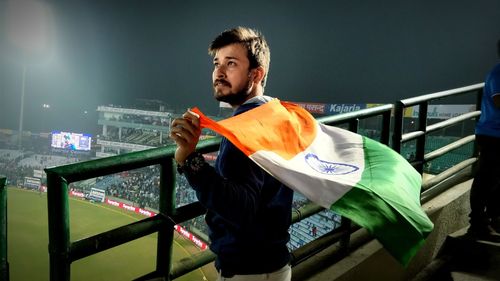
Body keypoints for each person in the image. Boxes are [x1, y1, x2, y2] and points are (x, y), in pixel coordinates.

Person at [169, 27, 293, 281]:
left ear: (256, 74)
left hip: (248, 271)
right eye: (217, 64)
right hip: (274, 264)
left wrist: (188, 158)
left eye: (232, 64)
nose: (219, 73)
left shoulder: (245, 127)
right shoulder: (275, 112)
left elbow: (241, 209)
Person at [468, 39, 500, 239]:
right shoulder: (498, 73)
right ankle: (478, 223)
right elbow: (499, 101)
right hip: (492, 136)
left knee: (497, 180)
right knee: (485, 180)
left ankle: (493, 219)